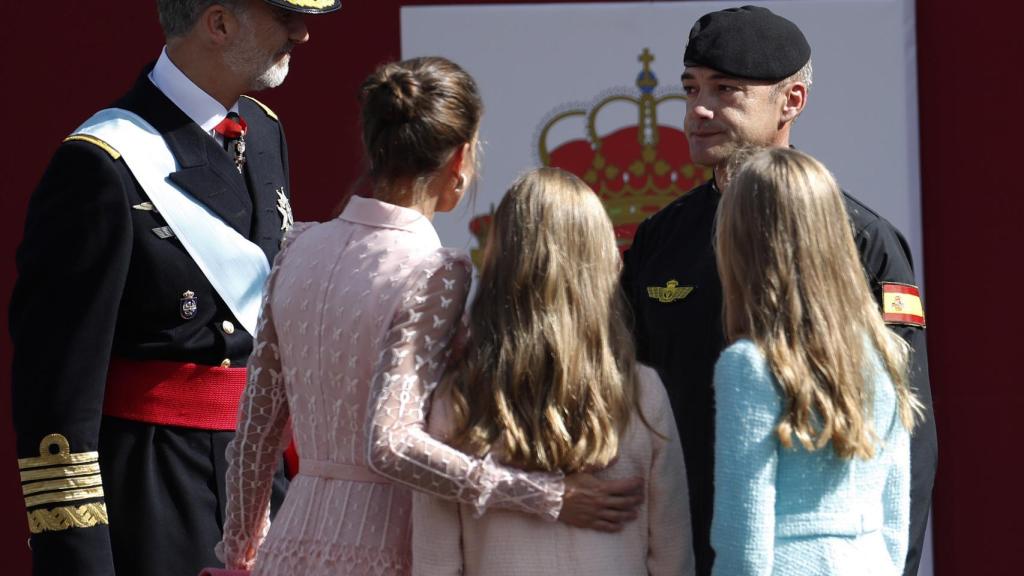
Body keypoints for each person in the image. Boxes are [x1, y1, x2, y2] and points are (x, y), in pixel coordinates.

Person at [217, 57, 644, 575]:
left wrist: (241, 553)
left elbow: (255, 433)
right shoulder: (437, 271)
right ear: (461, 157)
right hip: (390, 548)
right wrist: (545, 495)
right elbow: (391, 444)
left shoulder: (298, 246)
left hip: (285, 551)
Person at [9, 1, 340, 575]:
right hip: (160, 491)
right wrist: (78, 556)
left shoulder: (263, 131)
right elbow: (56, 393)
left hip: (266, 482)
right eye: (284, 16)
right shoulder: (100, 165)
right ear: (218, 23)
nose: (304, 33)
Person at [620, 6, 937, 576]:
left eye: (727, 90)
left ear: (791, 101)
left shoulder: (863, 241)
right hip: (673, 550)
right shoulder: (659, 238)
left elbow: (906, 436)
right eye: (691, 88)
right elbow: (624, 398)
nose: (699, 110)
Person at [410, 168, 695, 576]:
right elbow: (672, 559)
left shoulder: (457, 400)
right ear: (602, 267)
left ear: (500, 265)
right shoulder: (641, 394)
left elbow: (436, 563)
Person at [711, 147, 920, 575]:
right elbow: (896, 515)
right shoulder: (884, 351)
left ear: (741, 244)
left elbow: (743, 534)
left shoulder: (749, 366)